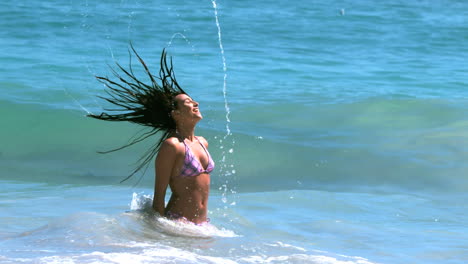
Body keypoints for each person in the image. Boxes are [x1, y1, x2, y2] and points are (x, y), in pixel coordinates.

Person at [88, 45, 214, 224]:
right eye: (188, 101)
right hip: (178, 223)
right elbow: (159, 195)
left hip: (201, 225)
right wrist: (158, 233)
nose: (196, 103)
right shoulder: (173, 146)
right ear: (176, 114)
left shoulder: (203, 143)